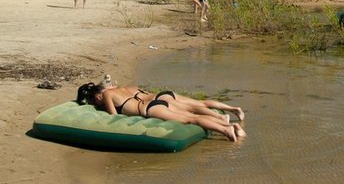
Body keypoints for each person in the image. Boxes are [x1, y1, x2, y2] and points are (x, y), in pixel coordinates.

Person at [76, 78, 245, 141]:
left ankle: (227, 131)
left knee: (191, 118)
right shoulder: (125, 88)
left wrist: (105, 110)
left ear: (97, 96)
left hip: (150, 109)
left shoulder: (108, 95)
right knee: (192, 112)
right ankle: (230, 126)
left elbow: (113, 115)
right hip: (158, 102)